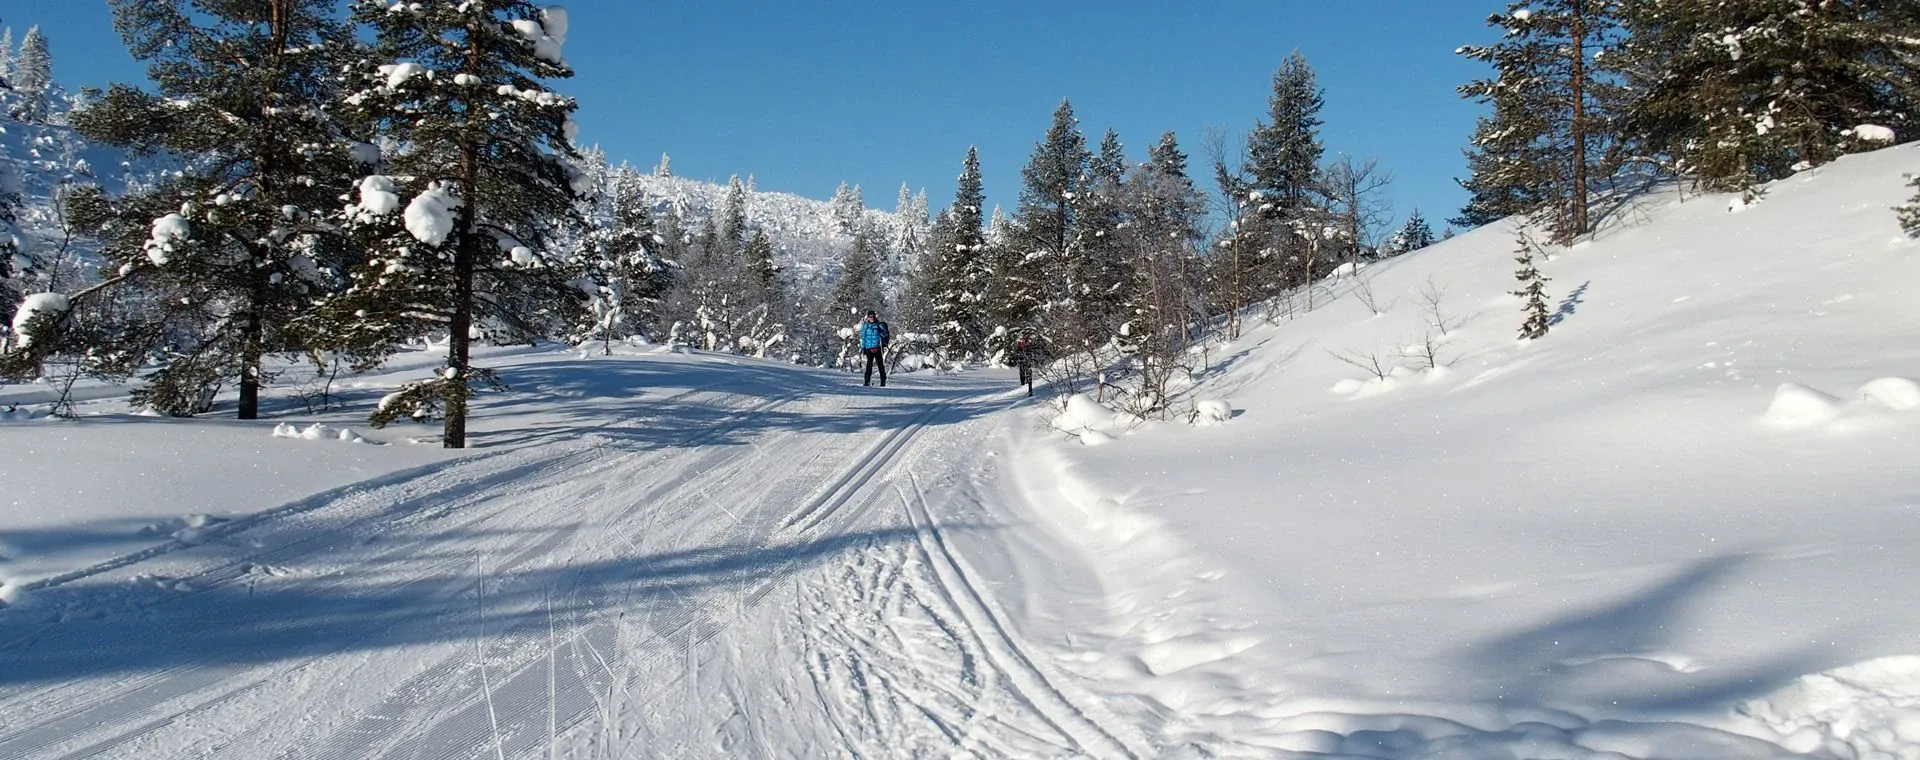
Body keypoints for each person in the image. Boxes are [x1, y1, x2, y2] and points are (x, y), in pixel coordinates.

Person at [858, 310, 890, 387]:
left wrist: (881, 331)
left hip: (878, 347)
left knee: (880, 365)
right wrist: (863, 348)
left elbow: (885, 334)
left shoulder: (879, 325)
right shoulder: (865, 326)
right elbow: (863, 337)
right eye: (870, 317)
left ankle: (883, 381)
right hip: (869, 348)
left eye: (873, 316)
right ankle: (867, 381)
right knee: (869, 365)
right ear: (868, 317)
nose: (872, 318)